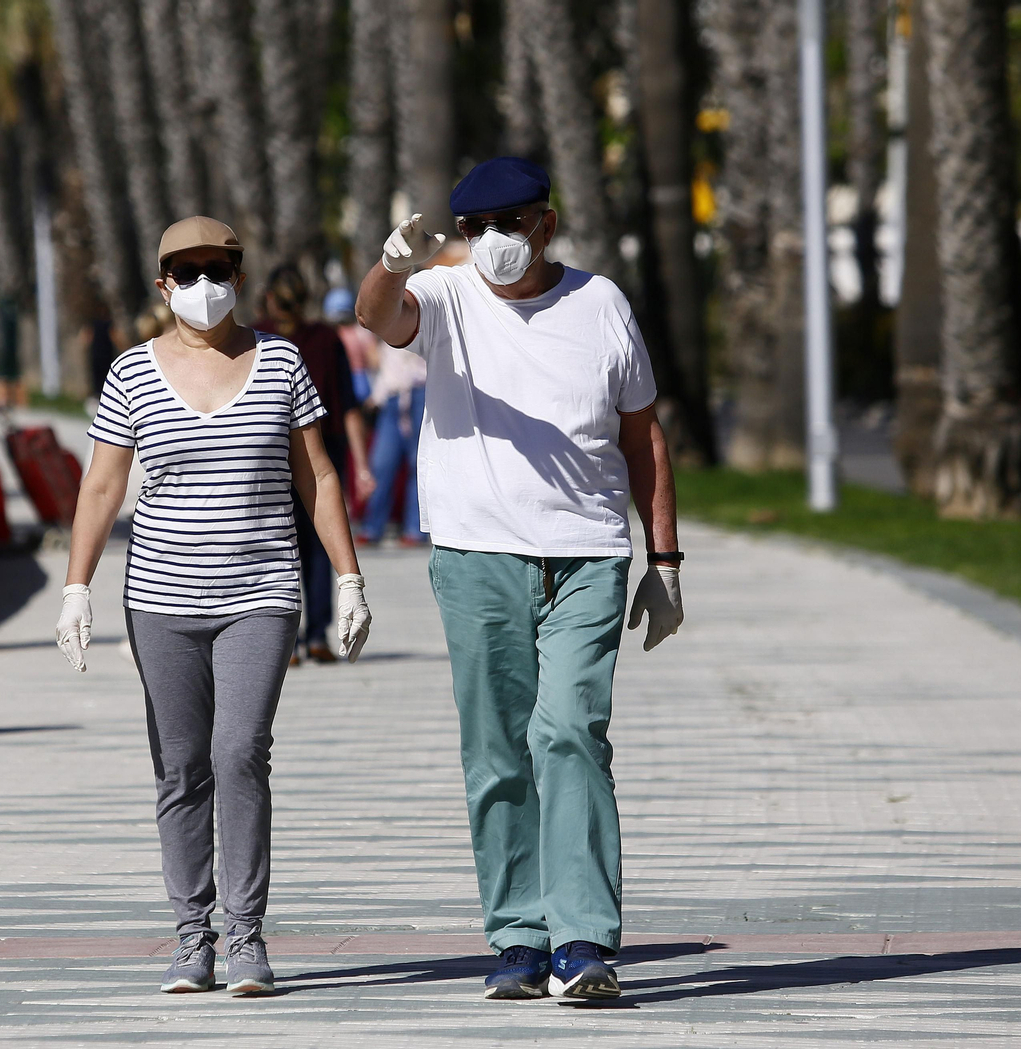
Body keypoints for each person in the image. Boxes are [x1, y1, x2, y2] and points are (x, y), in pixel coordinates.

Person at [356, 156, 685, 1002]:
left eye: (510, 224)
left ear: (546, 222)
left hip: (587, 554)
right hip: (475, 557)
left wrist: (666, 562)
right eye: (476, 229)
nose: (493, 242)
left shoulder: (601, 303)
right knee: (497, 748)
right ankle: (517, 936)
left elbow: (643, 435)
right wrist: (395, 262)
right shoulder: (446, 296)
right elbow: (377, 316)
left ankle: (581, 940)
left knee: (570, 731)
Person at [56, 216, 372, 997]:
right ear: (162, 285)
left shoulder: (281, 363)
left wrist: (351, 577)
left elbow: (319, 477)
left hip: (261, 594)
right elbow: (100, 487)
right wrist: (75, 588)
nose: (205, 284)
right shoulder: (130, 373)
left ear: (238, 273)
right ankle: (190, 936)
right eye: (187, 271)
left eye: (219, 267)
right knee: (180, 765)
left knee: (239, 751)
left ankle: (245, 934)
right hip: (159, 600)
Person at [256, 264, 374, 664]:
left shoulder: (256, 339)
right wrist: (361, 465)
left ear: (270, 298)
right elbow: (349, 407)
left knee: (277, 545)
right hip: (325, 449)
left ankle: (286, 640)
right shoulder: (326, 338)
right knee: (321, 544)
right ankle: (318, 634)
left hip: (269, 455)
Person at [358, 337, 429, 546]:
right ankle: (372, 526)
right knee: (382, 463)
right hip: (391, 397)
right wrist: (376, 396)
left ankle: (415, 529)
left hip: (420, 393)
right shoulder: (385, 332)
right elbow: (386, 369)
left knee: (417, 463)